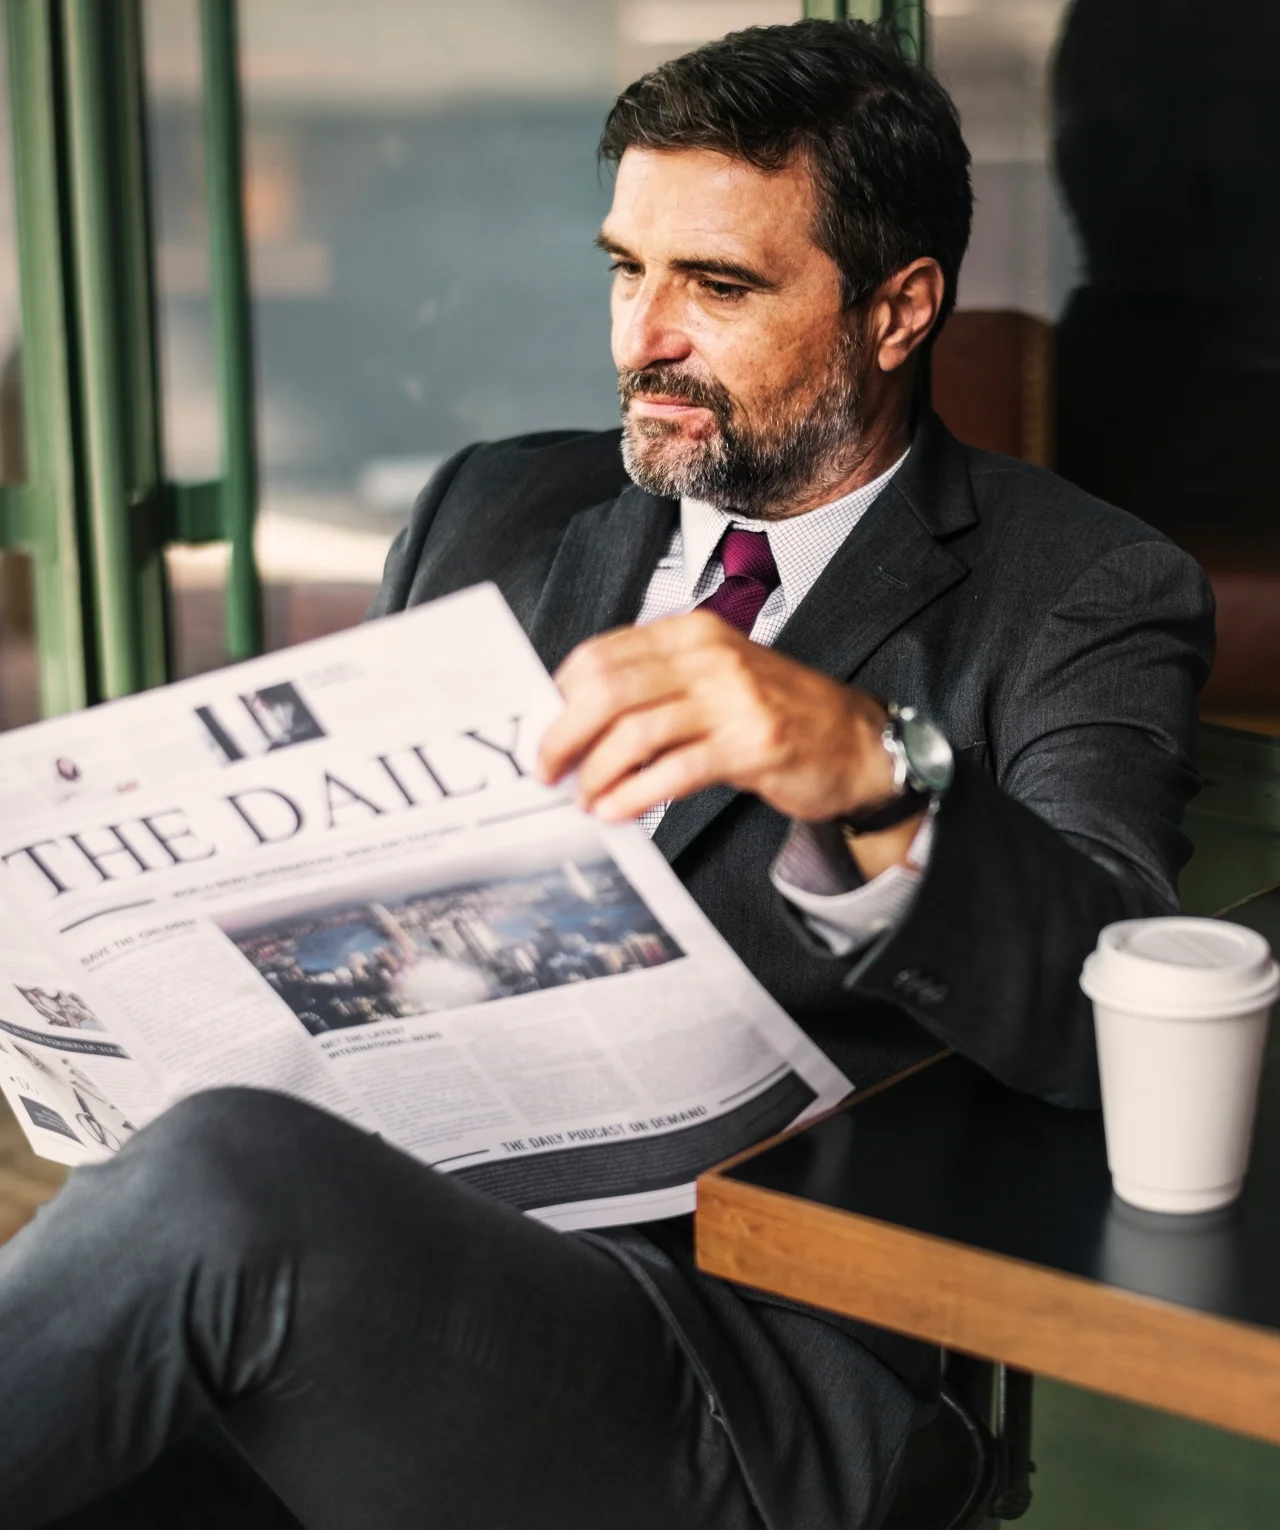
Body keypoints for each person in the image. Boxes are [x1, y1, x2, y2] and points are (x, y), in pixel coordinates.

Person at [0, 20, 1212, 1530]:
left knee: (214, 1190)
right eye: (626, 267)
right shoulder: (492, 508)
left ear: (898, 309)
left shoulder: (1078, 585)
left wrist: (862, 769)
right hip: (406, 1256)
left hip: (735, 1357)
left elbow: (1119, 1014)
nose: (645, 334)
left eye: (717, 285)